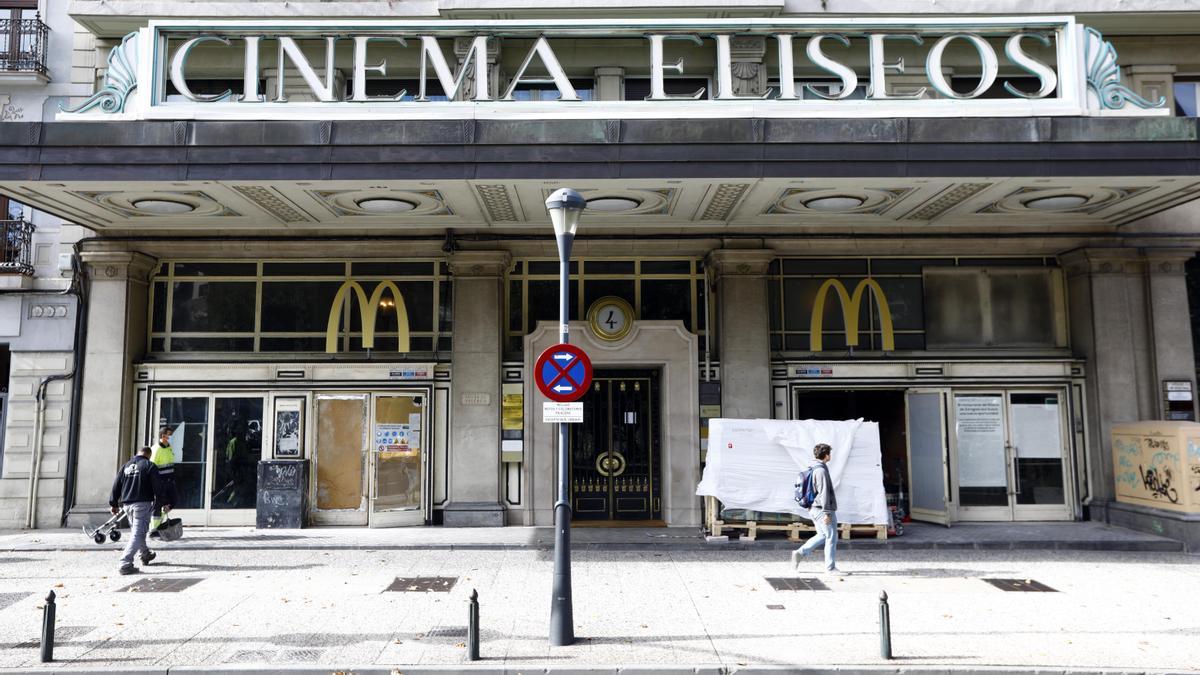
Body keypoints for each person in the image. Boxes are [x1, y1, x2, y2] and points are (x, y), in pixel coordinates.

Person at [791, 443, 846, 576]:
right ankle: (830, 568)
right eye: (829, 453)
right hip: (822, 509)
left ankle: (799, 553)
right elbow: (824, 493)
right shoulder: (821, 470)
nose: (830, 456)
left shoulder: (812, 467)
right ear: (826, 455)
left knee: (822, 535)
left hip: (814, 508)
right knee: (831, 537)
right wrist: (827, 513)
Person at [109, 446, 166, 575]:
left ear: (138, 453)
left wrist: (113, 504)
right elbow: (157, 487)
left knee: (137, 532)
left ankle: (145, 554)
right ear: (149, 455)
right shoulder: (149, 465)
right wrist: (160, 502)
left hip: (127, 505)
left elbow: (116, 485)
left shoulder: (126, 466)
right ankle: (125, 563)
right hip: (142, 504)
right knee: (138, 534)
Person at [148, 427, 177, 538]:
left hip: (170, 481)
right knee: (158, 504)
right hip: (160, 482)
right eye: (169, 435)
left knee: (173, 500)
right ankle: (153, 529)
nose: (170, 437)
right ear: (163, 436)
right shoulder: (156, 449)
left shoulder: (169, 447)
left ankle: (159, 525)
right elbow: (152, 467)